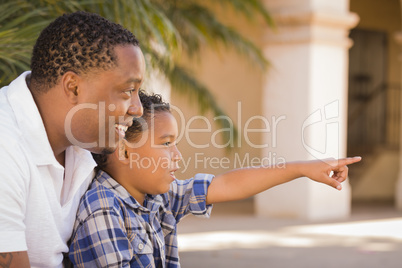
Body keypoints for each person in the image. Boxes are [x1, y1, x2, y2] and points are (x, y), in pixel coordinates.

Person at [68, 91, 361, 267]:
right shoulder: (104, 210)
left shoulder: (155, 198)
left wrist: (302, 168)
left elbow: (228, 185)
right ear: (126, 152)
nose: (177, 156)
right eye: (167, 143)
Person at [0, 11, 145, 268]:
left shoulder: (84, 143)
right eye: (127, 91)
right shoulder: (6, 147)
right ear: (73, 88)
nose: (138, 109)